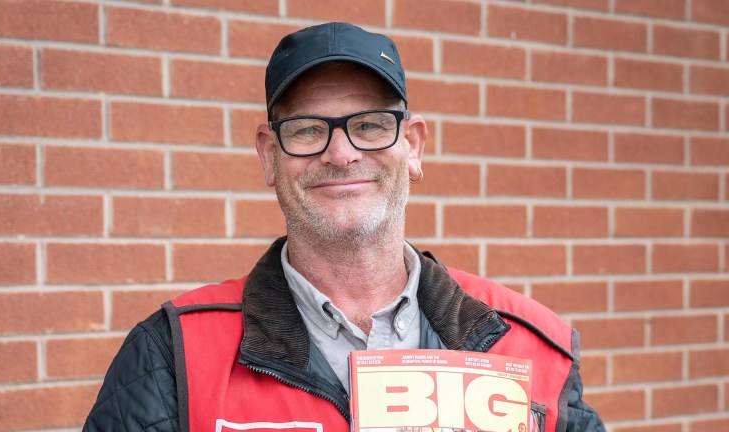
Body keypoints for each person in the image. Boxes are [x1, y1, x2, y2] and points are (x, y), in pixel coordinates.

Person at [83, 22, 605, 432]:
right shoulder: (173, 357)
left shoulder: (531, 350)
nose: (341, 154)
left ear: (414, 146)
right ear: (269, 154)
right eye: (308, 129)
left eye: (370, 125)